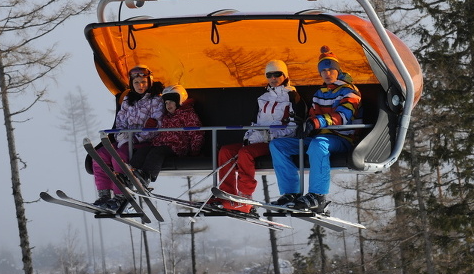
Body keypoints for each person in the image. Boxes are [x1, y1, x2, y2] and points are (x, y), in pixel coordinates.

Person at [269, 45, 361, 215]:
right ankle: (291, 193)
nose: (327, 73)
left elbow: (343, 116)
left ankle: (317, 196)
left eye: (330, 69)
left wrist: (316, 123)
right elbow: (313, 115)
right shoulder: (320, 93)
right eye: (323, 71)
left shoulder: (350, 91)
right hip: (320, 137)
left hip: (341, 138)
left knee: (318, 145)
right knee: (278, 145)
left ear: (337, 70)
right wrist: (305, 125)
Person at [208, 60, 302, 214]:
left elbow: (294, 126)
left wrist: (270, 134)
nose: (273, 78)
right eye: (269, 75)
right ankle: (228, 195)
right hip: (258, 139)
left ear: (285, 75)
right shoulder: (263, 98)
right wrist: (249, 137)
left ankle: (246, 197)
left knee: (246, 153)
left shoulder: (292, 96)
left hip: (276, 141)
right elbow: (254, 122)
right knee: (226, 151)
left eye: (277, 74)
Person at [92, 65, 164, 209]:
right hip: (125, 140)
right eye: (136, 83)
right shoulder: (127, 100)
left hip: (144, 142)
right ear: (132, 83)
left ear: (149, 82)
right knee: (100, 155)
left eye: (143, 82)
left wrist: (137, 138)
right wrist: (122, 135)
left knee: (119, 156)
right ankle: (104, 195)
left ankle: (121, 196)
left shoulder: (156, 100)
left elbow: (158, 125)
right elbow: (120, 121)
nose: (140, 86)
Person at [129, 84, 203, 187]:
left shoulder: (188, 114)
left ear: (180, 100)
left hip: (177, 147)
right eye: (166, 102)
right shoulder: (167, 117)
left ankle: (147, 176)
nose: (168, 105)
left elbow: (196, 134)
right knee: (143, 151)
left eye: (172, 101)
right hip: (163, 145)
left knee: (157, 152)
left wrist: (194, 153)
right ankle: (130, 173)